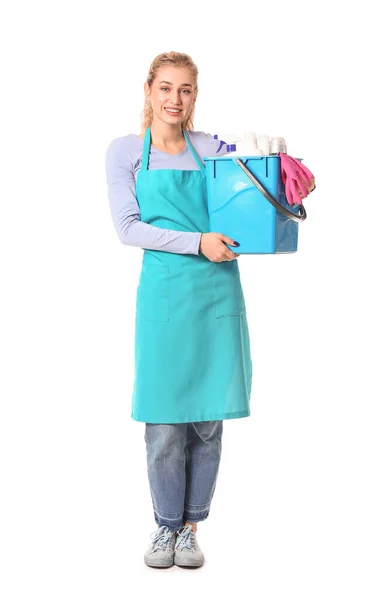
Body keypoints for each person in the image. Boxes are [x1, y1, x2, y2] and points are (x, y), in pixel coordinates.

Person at [105, 51, 253, 569]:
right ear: (148, 91)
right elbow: (129, 229)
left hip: (215, 292)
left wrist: (289, 182)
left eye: (185, 90)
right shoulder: (126, 152)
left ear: (195, 96)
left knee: (208, 420)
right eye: (165, 88)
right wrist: (197, 243)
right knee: (165, 421)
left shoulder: (212, 149)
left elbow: (251, 196)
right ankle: (164, 526)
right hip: (165, 295)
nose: (175, 99)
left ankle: (191, 527)